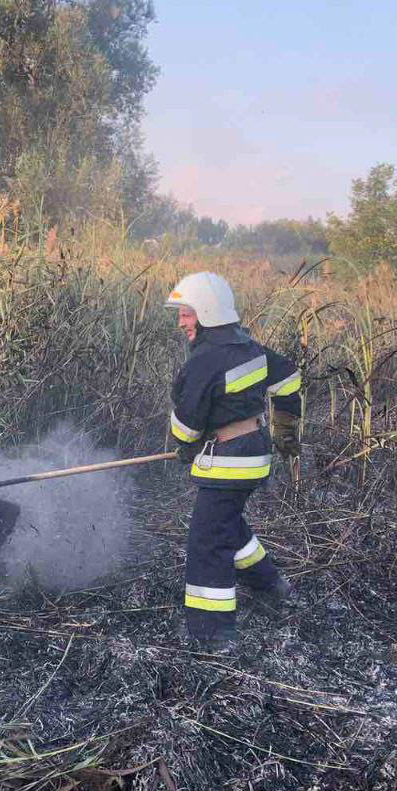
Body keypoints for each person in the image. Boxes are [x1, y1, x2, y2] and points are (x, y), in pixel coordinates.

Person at [166, 271, 302, 652]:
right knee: (225, 522)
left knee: (207, 542)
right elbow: (290, 377)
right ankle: (270, 585)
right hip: (255, 454)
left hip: (229, 461)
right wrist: (286, 427)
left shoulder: (205, 361)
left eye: (187, 314)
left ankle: (212, 634)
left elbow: (187, 426)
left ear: (207, 313)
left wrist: (183, 445)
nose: (181, 322)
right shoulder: (250, 347)